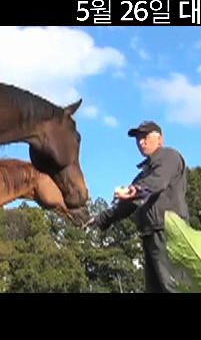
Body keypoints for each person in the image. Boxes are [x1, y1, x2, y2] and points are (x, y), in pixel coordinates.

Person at [83, 120, 189, 293]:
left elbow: (158, 182)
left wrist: (135, 190)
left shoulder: (169, 156)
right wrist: (99, 219)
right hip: (150, 235)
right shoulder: (143, 175)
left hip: (169, 233)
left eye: (145, 137)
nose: (141, 142)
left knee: (174, 287)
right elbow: (126, 205)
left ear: (160, 139)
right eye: (138, 138)